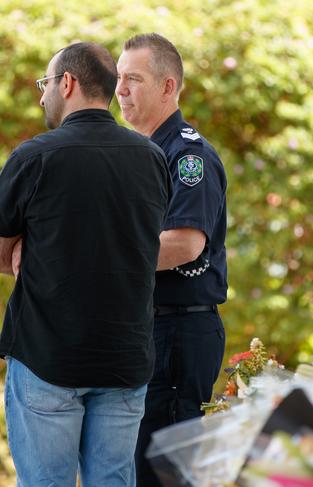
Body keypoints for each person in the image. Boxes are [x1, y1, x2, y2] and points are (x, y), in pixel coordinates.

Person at [0, 42, 172, 487]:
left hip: (49, 357)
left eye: (44, 84)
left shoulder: (34, 156)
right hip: (125, 358)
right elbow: (136, 243)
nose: (41, 95)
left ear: (66, 83)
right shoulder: (153, 159)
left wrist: (38, 250)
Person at [115, 33, 228, 486]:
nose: (120, 89)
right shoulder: (136, 154)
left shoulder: (187, 156)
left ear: (167, 87)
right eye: (119, 78)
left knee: (165, 472)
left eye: (133, 79)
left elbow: (184, 244)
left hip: (180, 331)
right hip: (144, 325)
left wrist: (102, 262)